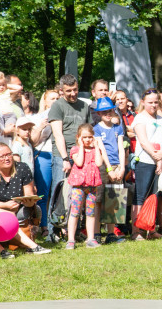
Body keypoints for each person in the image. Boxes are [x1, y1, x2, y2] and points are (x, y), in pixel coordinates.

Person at [0, 142, 49, 254]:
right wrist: (2, 206)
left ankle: (22, 241)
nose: (7, 158)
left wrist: (29, 202)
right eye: (2, 156)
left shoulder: (22, 168)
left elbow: (28, 193)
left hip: (17, 208)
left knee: (35, 209)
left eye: (9, 154)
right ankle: (22, 243)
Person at [48, 74, 92, 234]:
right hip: (63, 156)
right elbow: (58, 134)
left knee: (79, 192)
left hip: (82, 155)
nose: (73, 93)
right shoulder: (57, 106)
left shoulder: (84, 106)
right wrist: (65, 158)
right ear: (61, 90)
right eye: (68, 91)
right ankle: (53, 230)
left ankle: (75, 230)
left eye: (75, 90)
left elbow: (88, 132)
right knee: (59, 192)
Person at [131, 88, 162, 241]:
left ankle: (150, 229)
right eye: (150, 102)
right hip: (146, 162)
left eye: (156, 102)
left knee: (154, 196)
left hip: (159, 160)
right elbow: (143, 141)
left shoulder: (161, 119)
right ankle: (136, 231)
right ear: (143, 103)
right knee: (141, 197)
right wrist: (156, 157)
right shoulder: (140, 119)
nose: (153, 105)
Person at [92, 96, 126, 244]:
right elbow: (102, 150)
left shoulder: (118, 127)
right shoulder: (96, 129)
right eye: (104, 111)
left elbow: (121, 147)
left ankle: (111, 234)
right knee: (99, 200)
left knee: (115, 199)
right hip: (103, 167)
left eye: (110, 110)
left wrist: (122, 167)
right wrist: (109, 168)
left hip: (117, 165)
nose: (108, 113)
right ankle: (96, 233)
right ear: (99, 113)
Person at [65, 124, 105, 249]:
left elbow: (99, 163)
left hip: (92, 186)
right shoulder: (75, 150)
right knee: (75, 211)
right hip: (78, 185)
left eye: (90, 137)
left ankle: (91, 238)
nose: (87, 140)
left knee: (90, 212)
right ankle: (71, 239)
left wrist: (97, 147)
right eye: (84, 137)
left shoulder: (95, 150)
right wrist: (81, 146)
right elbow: (79, 162)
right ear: (78, 138)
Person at [30, 89, 59, 239]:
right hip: (44, 155)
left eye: (57, 98)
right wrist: (42, 126)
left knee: (58, 191)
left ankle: (57, 225)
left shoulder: (62, 114)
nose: (55, 100)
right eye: (52, 98)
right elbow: (34, 142)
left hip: (58, 156)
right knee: (43, 193)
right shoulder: (39, 117)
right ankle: (44, 226)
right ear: (45, 101)